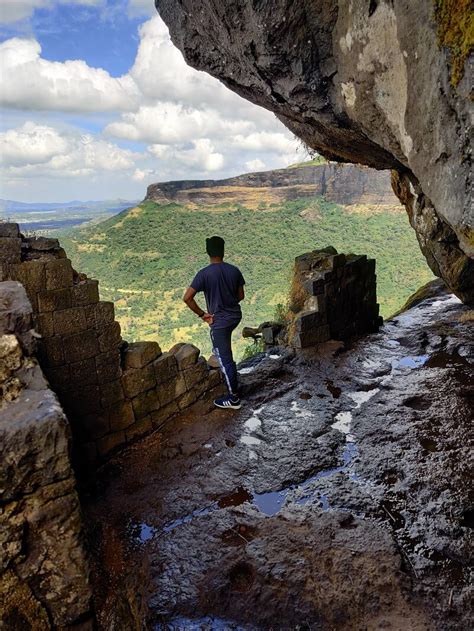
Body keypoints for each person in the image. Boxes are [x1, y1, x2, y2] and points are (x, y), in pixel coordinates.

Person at [183, 236, 245, 410]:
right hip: (234, 317)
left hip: (219, 322)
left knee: (224, 359)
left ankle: (233, 399)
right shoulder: (234, 271)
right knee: (226, 354)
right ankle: (233, 380)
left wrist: (203, 315)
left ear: (208, 252)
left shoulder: (204, 274)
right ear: (223, 251)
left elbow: (187, 298)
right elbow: (241, 296)